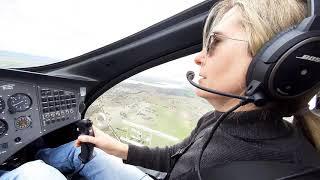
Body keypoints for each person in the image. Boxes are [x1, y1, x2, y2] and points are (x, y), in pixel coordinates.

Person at [2, 0, 320, 179]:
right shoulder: (224, 124)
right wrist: (118, 147)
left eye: (214, 42)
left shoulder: (236, 170)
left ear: (273, 61)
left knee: (30, 174)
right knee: (77, 152)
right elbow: (176, 157)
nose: (199, 56)